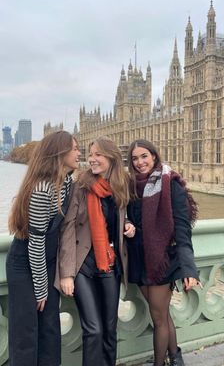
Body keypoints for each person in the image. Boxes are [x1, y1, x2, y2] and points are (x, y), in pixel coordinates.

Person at [56, 136, 135, 366]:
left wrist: (128, 225)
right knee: (94, 329)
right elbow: (68, 228)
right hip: (83, 267)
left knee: (110, 330)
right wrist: (67, 273)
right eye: (90, 154)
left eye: (97, 154)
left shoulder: (121, 185)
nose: (92, 159)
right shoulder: (81, 185)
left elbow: (121, 217)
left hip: (110, 265)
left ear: (111, 157)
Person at [6, 130, 81, 366]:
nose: (80, 152)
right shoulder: (42, 190)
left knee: (50, 326)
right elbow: (35, 243)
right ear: (60, 153)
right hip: (25, 263)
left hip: (47, 261)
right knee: (26, 330)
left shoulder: (67, 182)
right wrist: (41, 288)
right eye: (75, 148)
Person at [126, 139, 201, 366]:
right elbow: (124, 214)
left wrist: (189, 268)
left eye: (144, 156)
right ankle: (176, 357)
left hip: (161, 259)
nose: (140, 162)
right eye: (135, 158)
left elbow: (182, 229)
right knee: (161, 313)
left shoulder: (170, 184)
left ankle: (161, 363)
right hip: (139, 258)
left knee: (158, 318)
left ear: (154, 156)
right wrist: (127, 222)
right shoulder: (131, 186)